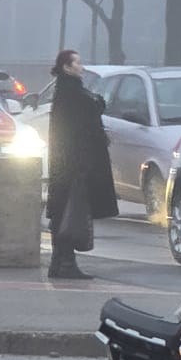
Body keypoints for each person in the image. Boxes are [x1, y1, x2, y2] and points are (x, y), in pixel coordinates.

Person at [46, 49, 118, 279]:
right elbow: (92, 110)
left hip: (65, 163)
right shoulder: (72, 93)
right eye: (77, 63)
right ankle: (65, 264)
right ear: (66, 67)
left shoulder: (66, 91)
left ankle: (59, 262)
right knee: (71, 211)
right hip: (74, 164)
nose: (81, 66)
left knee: (63, 212)